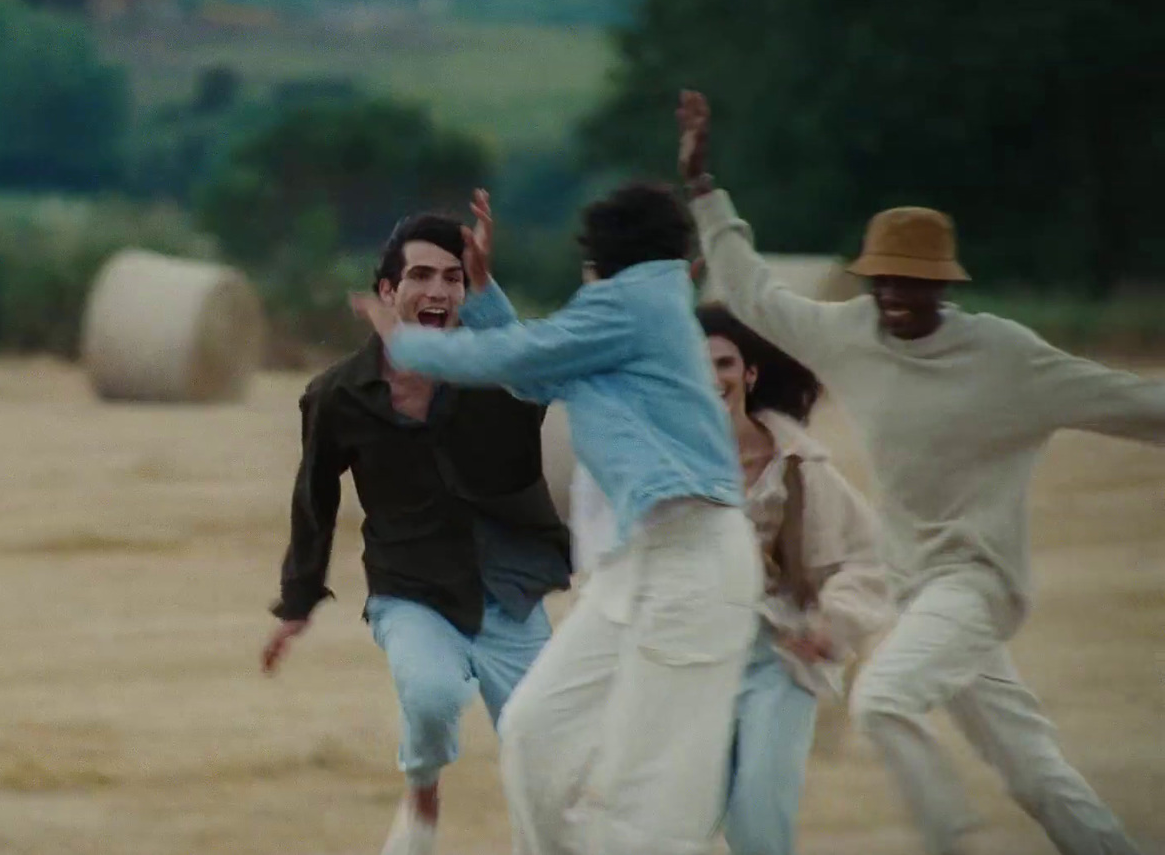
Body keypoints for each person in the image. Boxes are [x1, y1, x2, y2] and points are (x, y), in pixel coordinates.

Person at [678, 88, 1164, 855]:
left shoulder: (1006, 358)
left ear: (946, 284)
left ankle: (948, 839)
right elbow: (751, 294)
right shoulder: (851, 332)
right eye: (886, 281)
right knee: (1035, 772)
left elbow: (1136, 402)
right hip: (918, 589)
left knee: (883, 700)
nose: (897, 296)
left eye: (915, 283)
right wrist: (706, 192)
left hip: (976, 583)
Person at [352, 181, 761, 855]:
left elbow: (518, 357)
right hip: (637, 566)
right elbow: (537, 371)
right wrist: (481, 298)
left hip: (696, 563)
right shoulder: (632, 313)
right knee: (535, 734)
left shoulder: (637, 303)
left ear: (602, 258)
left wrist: (407, 344)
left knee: (642, 808)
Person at [262, 193, 573, 855]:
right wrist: (297, 600)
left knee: (551, 765)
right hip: (411, 589)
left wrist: (491, 294)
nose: (439, 290)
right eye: (423, 276)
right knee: (432, 695)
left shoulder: (494, 375)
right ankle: (423, 784)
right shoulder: (337, 394)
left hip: (508, 593)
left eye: (454, 277)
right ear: (388, 289)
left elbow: (538, 374)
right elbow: (314, 497)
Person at [696, 303, 892, 855]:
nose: (712, 378)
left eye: (725, 363)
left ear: (750, 372)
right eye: (696, 364)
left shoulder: (801, 464)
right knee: (678, 824)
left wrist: (835, 622)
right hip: (689, 660)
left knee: (758, 819)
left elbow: (870, 556)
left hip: (777, 660)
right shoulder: (662, 464)